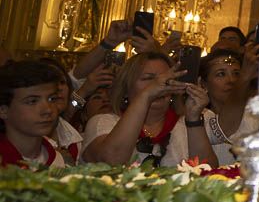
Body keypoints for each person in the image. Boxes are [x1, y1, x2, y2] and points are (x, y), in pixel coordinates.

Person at [82, 51, 217, 167]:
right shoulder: (103, 122)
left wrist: (193, 119)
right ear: (126, 88)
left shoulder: (184, 124)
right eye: (148, 79)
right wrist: (146, 96)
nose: (160, 85)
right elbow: (111, 161)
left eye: (166, 79)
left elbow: (207, 171)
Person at [0, 61, 69, 168]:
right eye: (32, 101)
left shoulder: (57, 160)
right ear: (3, 111)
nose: (48, 110)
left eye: (52, 99)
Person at [196, 49, 253, 166]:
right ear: (203, 84)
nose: (231, 81)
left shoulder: (255, 116)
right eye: (221, 74)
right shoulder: (198, 118)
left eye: (237, 74)